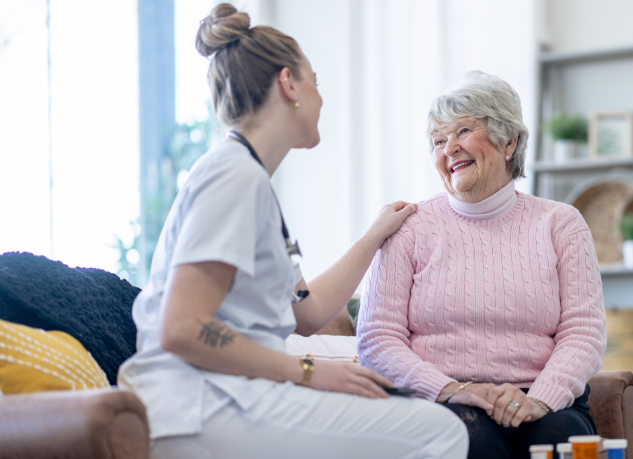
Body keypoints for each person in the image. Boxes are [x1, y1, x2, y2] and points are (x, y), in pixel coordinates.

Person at [117, 5, 468, 459]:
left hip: (223, 394)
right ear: (288, 84)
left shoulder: (247, 177)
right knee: (440, 432)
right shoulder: (234, 178)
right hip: (198, 402)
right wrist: (307, 371)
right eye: (315, 83)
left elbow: (306, 313)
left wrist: (374, 235)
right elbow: (182, 328)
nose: (321, 98)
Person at [357, 71, 607, 459]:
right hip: (440, 398)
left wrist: (539, 400)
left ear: (509, 141)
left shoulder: (561, 223)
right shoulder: (408, 226)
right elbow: (377, 338)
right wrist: (454, 390)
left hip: (541, 398)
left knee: (556, 437)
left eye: (462, 132)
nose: (448, 148)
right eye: (438, 141)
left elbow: (584, 331)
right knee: (469, 435)